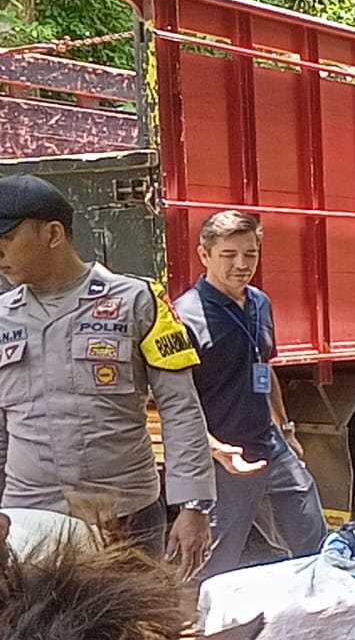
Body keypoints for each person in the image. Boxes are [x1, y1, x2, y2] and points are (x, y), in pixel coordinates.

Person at [0, 174, 214, 575]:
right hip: (28, 518)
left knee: (126, 633)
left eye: (7, 237)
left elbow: (180, 408)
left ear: (53, 234)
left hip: (123, 517)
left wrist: (193, 505)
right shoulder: (2, 317)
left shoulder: (137, 301)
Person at [173, 211, 327, 578]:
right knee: (213, 565)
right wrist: (214, 448)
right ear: (204, 255)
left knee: (313, 540)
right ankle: (197, 629)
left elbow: (264, 366)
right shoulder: (186, 316)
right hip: (222, 460)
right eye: (228, 255)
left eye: (250, 254)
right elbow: (173, 401)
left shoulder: (259, 303)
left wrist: (285, 428)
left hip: (271, 445)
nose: (241, 265)